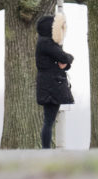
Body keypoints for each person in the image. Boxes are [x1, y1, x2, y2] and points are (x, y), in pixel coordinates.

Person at [35, 13, 74, 149]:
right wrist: (69, 58)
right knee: (49, 121)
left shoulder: (46, 43)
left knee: (49, 120)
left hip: (51, 85)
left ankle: (46, 149)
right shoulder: (46, 43)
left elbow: (63, 62)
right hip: (50, 87)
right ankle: (46, 150)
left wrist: (65, 63)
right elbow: (64, 57)